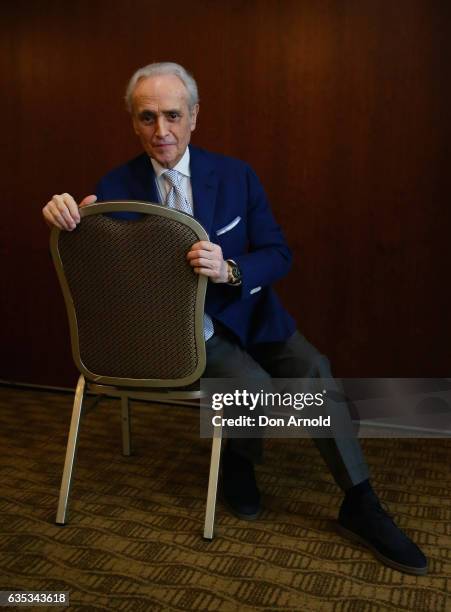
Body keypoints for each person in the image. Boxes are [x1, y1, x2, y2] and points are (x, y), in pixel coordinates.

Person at [42, 62, 427, 575]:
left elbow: (279, 253)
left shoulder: (237, 174)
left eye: (173, 115)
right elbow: (107, 277)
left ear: (195, 116)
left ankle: (360, 501)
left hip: (250, 311)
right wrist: (69, 218)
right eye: (148, 117)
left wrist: (232, 269)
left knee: (314, 370)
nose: (162, 131)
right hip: (179, 332)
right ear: (133, 122)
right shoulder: (114, 187)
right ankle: (241, 463)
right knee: (253, 386)